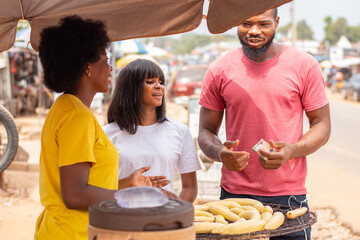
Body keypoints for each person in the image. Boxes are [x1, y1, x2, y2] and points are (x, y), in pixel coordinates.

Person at [197, 8, 331, 240]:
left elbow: (322, 125)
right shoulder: (219, 69)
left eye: (263, 24)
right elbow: (205, 131)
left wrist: (292, 150)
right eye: (246, 23)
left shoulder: (304, 65)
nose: (254, 31)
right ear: (236, 23)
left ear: (277, 22)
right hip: (234, 195)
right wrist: (219, 152)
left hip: (289, 197)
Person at [34, 16, 168, 240]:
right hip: (72, 232)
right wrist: (131, 200)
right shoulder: (77, 116)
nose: (110, 68)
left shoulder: (66, 107)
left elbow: (88, 184)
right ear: (87, 67)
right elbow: (75, 194)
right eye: (105, 61)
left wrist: (128, 185)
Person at [103, 59, 201, 202]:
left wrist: (175, 213)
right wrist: (129, 183)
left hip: (164, 221)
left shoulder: (179, 131)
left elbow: (190, 188)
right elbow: (97, 188)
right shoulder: (107, 134)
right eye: (150, 82)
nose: (159, 87)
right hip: (120, 219)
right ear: (131, 88)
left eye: (161, 82)